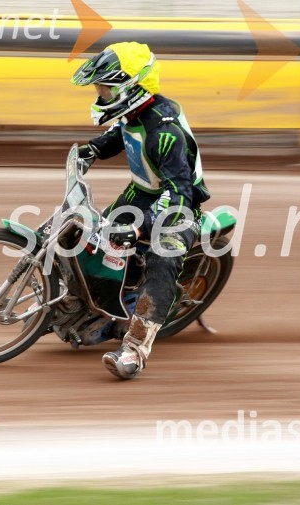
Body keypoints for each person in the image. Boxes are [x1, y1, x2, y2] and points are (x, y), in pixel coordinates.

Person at [70, 42, 210, 379]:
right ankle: (95, 309)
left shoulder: (165, 132)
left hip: (177, 205)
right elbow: (124, 132)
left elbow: (178, 191)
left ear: (130, 88)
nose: (100, 93)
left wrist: (142, 226)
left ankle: (134, 349)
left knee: (163, 258)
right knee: (95, 237)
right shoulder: (137, 113)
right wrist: (93, 150)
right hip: (142, 193)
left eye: (105, 88)